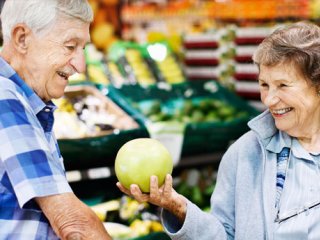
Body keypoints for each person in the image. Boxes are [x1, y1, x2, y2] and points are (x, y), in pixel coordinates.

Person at [117, 21, 320, 239]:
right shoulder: (245, 155)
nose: (269, 99)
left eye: (283, 85)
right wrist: (176, 206)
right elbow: (223, 235)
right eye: (264, 85)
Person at [0, 0, 112, 239]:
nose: (80, 65)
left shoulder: (29, 99)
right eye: (70, 46)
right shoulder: (4, 97)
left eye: (83, 49)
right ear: (22, 38)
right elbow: (73, 224)